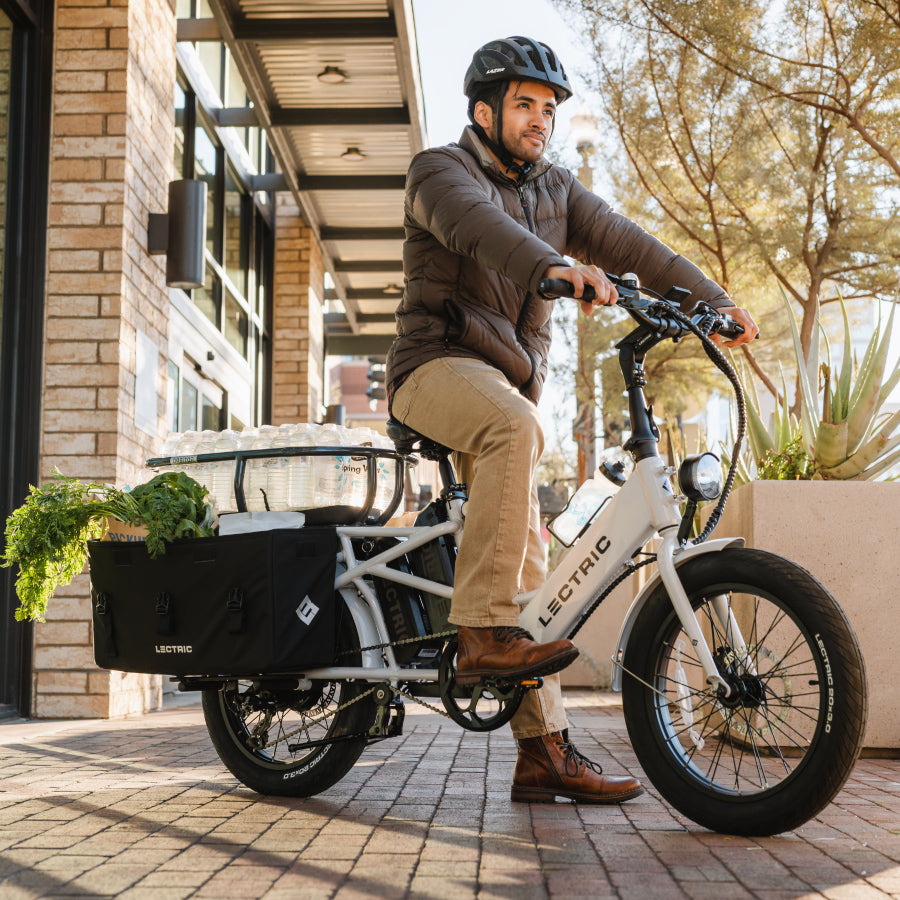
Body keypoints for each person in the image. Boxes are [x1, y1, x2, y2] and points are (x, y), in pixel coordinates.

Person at [385, 36, 759, 805]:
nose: (539, 121)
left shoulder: (558, 189)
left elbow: (630, 244)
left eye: (548, 109)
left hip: (505, 392)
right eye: (525, 105)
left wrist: (713, 300)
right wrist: (552, 268)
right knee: (518, 429)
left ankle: (542, 754)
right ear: (484, 110)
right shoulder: (439, 172)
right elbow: (477, 230)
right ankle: (481, 634)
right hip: (431, 369)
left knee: (527, 563)